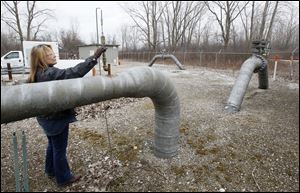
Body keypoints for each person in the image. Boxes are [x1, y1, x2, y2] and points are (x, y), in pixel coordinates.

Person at [28, 44, 107, 186]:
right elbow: (73, 73)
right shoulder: (49, 74)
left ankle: (50, 170)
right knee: (59, 149)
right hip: (56, 119)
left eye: (53, 53)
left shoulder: (37, 74)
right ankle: (64, 178)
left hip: (45, 118)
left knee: (52, 145)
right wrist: (94, 58)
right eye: (49, 54)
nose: (54, 55)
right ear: (41, 59)